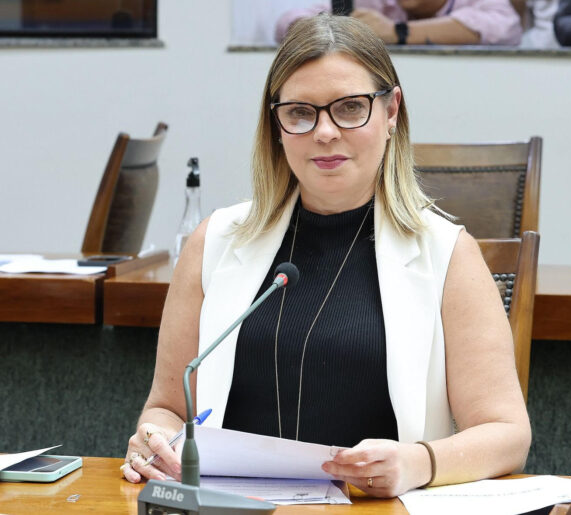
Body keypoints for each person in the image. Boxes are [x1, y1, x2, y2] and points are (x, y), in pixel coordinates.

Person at [122, 13, 531, 498]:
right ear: (276, 125)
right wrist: (154, 440)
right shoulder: (215, 242)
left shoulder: (446, 253)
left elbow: (507, 434)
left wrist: (418, 462)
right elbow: (168, 407)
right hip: (228, 506)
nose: (325, 132)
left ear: (391, 111)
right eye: (300, 112)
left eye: (350, 108)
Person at [275, 0, 523, 46]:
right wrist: (338, 30)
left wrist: (397, 32)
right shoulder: (374, 3)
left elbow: (507, 28)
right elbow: (288, 22)